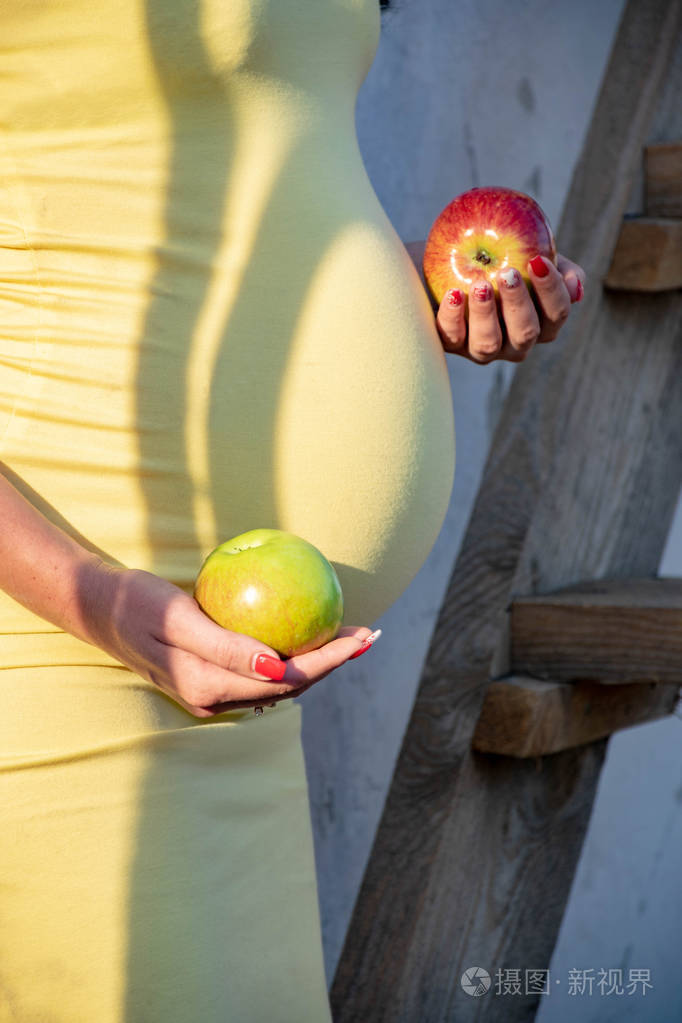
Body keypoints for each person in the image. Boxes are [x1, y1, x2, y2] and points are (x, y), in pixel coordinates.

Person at [0, 0, 584, 1020]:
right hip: (75, 632)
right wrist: (95, 601)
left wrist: (406, 294)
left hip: (231, 681)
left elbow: (224, 187)